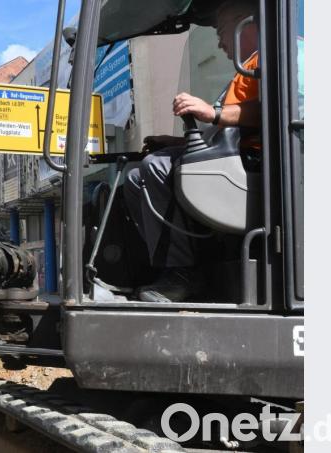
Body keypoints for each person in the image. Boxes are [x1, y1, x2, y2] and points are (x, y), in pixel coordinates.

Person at [123, 0, 260, 303]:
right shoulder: (246, 69)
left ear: (246, 23)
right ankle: (166, 268)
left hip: (257, 165)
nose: (221, 44)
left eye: (222, 31)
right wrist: (177, 143)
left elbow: (274, 111)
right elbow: (223, 130)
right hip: (232, 155)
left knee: (157, 167)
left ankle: (183, 274)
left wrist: (212, 112)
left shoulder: (281, 57)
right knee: (134, 180)